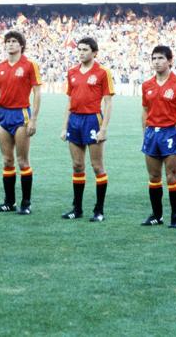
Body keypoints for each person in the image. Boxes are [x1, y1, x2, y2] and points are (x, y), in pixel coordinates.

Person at [60, 37, 114, 222]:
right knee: (77, 166)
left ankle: (99, 210)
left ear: (94, 52)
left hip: (93, 120)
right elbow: (69, 100)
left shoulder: (102, 72)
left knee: (97, 166)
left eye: (85, 50)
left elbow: (108, 102)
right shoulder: (72, 72)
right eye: (79, 49)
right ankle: (77, 208)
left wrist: (104, 128)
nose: (81, 52)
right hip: (74, 120)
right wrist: (64, 126)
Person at [140, 45, 176, 228]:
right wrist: (145, 132)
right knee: (154, 177)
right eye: (154, 59)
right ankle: (156, 215)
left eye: (161, 58)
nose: (157, 62)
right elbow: (145, 110)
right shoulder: (147, 85)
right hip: (152, 133)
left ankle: (175, 216)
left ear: (170, 61)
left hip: (171, 132)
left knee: (171, 175)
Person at [0, 31, 42, 215]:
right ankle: (9, 202)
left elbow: (37, 92)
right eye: (8, 41)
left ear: (21, 45)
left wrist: (33, 119)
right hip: (4, 115)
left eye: (14, 41)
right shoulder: (1, 67)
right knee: (7, 160)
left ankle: (26, 203)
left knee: (22, 161)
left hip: (21, 115)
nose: (10, 44)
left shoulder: (29, 65)